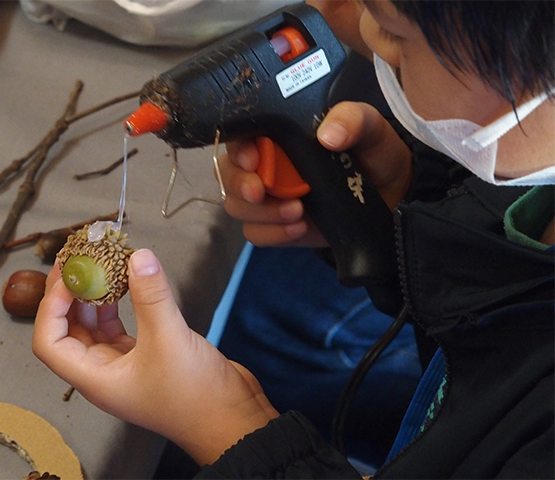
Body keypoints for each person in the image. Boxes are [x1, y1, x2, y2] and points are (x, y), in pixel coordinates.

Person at [33, 1, 554, 478]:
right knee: (262, 329)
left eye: (393, 31)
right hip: (457, 379)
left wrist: (230, 427)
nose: (343, 17)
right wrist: (408, 205)